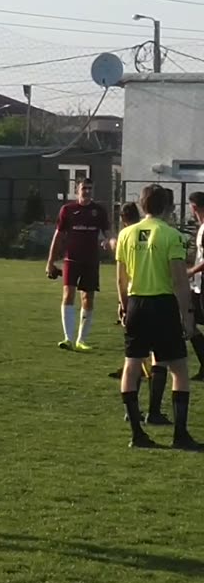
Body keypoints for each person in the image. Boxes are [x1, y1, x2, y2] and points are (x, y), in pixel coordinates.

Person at [115, 184, 197, 449]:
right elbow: (179, 280)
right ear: (166, 207)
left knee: (132, 365)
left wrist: (124, 305)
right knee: (179, 369)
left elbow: (121, 277)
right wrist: (187, 314)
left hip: (136, 303)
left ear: (141, 205)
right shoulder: (171, 235)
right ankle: (180, 435)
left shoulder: (126, 234)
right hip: (162, 305)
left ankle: (137, 434)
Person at [46, 178, 110, 351]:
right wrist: (50, 262)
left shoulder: (99, 211)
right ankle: (68, 338)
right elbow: (58, 237)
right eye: (84, 188)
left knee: (87, 298)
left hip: (91, 261)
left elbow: (108, 234)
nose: (87, 191)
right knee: (68, 294)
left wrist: (109, 242)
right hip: (71, 259)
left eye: (90, 188)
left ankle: (82, 340)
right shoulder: (68, 210)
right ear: (77, 190)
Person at [186, 191, 204, 382]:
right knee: (189, 322)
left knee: (190, 322)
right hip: (198, 285)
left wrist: (190, 271)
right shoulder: (201, 227)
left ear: (194, 206)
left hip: (202, 282)